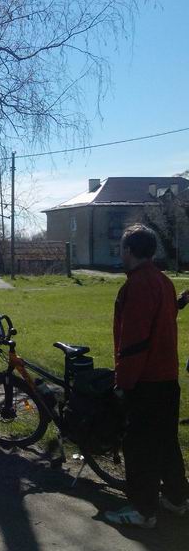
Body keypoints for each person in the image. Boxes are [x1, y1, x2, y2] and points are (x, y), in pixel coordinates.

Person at [104, 224, 189, 529]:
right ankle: (178, 499)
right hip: (168, 377)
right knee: (166, 442)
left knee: (139, 446)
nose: (120, 253)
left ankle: (142, 510)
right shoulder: (163, 282)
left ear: (128, 250)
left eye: (121, 248)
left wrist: (123, 384)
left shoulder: (136, 286)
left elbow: (134, 341)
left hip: (146, 380)